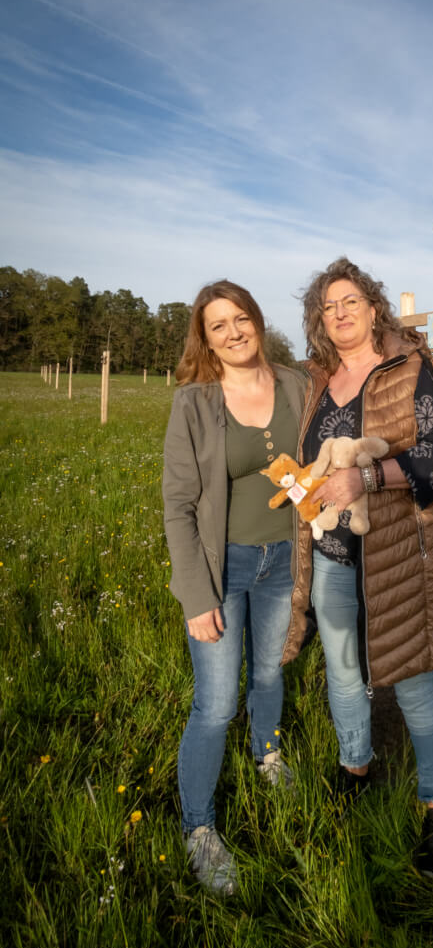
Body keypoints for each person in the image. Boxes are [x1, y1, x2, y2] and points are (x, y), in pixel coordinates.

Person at [281, 257, 433, 879]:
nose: (339, 313)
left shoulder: (411, 369)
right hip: (335, 557)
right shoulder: (319, 379)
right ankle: (355, 768)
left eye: (350, 302)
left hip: (397, 553)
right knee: (341, 668)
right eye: (328, 307)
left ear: (373, 308)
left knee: (413, 679)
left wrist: (363, 475)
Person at [162, 279, 305, 895]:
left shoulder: (297, 383)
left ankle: (267, 756)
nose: (233, 331)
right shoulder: (194, 403)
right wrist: (196, 596)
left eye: (241, 318)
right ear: (205, 337)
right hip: (226, 569)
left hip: (285, 560)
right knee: (217, 703)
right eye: (218, 324)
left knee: (271, 672)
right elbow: (178, 505)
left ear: (258, 320)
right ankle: (200, 828)